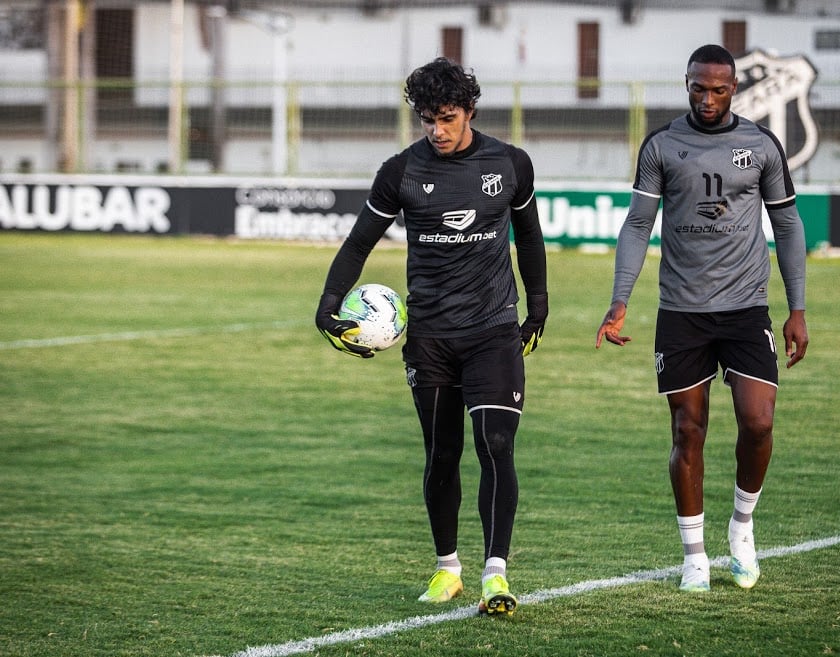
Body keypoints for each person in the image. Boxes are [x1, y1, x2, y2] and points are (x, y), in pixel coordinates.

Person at [315, 57, 548, 616]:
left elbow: (531, 237)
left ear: (469, 111)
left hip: (493, 330)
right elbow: (357, 244)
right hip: (431, 338)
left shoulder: (510, 164)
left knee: (496, 445)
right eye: (427, 119)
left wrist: (537, 308)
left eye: (446, 117)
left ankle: (496, 572)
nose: (437, 130)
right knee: (442, 454)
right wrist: (327, 306)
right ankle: (448, 569)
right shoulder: (400, 172)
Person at [595, 44, 808, 592]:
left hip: (745, 309)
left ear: (733, 87)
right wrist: (620, 300)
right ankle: (694, 557)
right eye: (697, 87)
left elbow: (787, 225)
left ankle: (742, 526)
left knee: (758, 423)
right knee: (688, 430)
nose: (707, 98)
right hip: (682, 312)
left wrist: (797, 308)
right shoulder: (662, 144)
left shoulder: (760, 146)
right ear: (685, 83)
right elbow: (638, 224)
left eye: (718, 89)